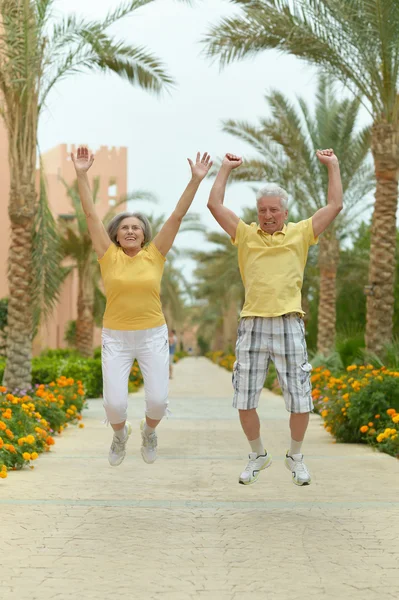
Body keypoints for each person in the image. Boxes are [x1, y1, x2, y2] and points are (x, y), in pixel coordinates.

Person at [207, 149, 343, 486]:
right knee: (244, 399)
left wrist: (333, 166)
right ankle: (258, 455)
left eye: (273, 210)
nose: (267, 216)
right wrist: (225, 168)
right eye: (262, 210)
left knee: (300, 400)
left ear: (284, 212)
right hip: (252, 323)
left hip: (288, 322)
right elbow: (214, 205)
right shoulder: (245, 235)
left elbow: (334, 206)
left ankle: (295, 457)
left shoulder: (300, 233)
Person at [72, 147, 212, 466]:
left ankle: (149, 432)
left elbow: (176, 216)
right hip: (116, 338)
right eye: (125, 227)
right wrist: (81, 174)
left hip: (152, 335)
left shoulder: (155, 255)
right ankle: (120, 436)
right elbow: (91, 216)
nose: (131, 230)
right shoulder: (108, 257)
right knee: (114, 405)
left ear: (144, 234)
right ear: (117, 236)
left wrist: (195, 180)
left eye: (136, 227)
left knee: (158, 401)